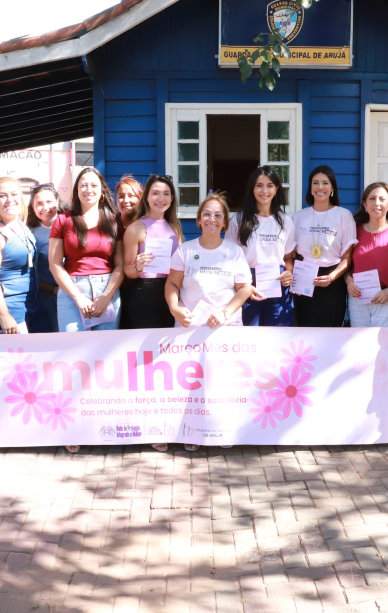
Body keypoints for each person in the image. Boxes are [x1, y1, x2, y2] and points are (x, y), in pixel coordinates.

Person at [166, 193, 252, 451]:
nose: (212, 219)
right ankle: (192, 432)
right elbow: (172, 283)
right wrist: (174, 308)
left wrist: (226, 313)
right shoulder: (186, 250)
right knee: (191, 380)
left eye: (218, 215)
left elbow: (244, 288)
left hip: (225, 327)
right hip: (190, 328)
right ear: (199, 220)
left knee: (223, 381)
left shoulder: (234, 252)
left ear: (225, 222)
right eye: (207, 214)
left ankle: (223, 430)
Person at [51, 167, 123, 336]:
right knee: (72, 350)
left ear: (102, 192)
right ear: (76, 191)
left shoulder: (114, 223)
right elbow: (54, 264)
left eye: (94, 185)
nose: (88, 190)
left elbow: (120, 265)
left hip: (106, 290)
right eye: (83, 185)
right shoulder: (62, 220)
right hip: (72, 290)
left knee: (104, 351)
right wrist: (77, 297)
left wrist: (107, 295)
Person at [0, 177, 49, 334]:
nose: (10, 200)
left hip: (32, 305)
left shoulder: (22, 226)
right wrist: (4, 315)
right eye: (2, 196)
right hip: (6, 308)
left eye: (14, 194)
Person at [225, 167, 295, 327]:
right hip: (247, 284)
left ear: (276, 189)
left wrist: (289, 272)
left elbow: (289, 257)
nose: (264, 190)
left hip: (277, 284)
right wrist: (243, 286)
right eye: (259, 185)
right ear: (252, 188)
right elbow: (230, 260)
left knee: (278, 337)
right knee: (249, 339)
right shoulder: (239, 220)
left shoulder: (286, 221)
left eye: (270, 185)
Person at [292, 166, 356, 327]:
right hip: (305, 278)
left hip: (332, 282)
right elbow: (291, 254)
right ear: (310, 188)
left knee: (331, 332)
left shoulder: (343, 215)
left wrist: (332, 277)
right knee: (305, 330)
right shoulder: (299, 217)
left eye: (325, 183)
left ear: (332, 188)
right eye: (315, 183)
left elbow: (347, 258)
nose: (320, 187)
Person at [123, 174, 182, 329]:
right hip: (145, 294)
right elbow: (127, 269)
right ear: (146, 197)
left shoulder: (175, 227)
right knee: (147, 350)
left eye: (166, 194)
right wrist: (138, 266)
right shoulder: (135, 228)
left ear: (172, 199)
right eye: (155, 193)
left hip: (173, 294)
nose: (161, 198)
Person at [346, 182, 388, 328]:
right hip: (358, 298)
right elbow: (345, 263)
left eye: (382, 199)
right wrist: (349, 282)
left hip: (387, 298)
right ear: (365, 205)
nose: (376, 203)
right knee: (358, 344)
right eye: (372, 199)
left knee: (383, 347)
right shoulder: (353, 230)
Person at [27, 183, 66, 333]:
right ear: (32, 206)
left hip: (74, 289)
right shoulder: (31, 232)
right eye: (39, 203)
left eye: (49, 202)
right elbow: (31, 270)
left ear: (57, 200)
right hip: (47, 294)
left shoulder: (70, 224)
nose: (45, 207)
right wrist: (52, 289)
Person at [115, 175, 144, 329]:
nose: (125, 200)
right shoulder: (110, 225)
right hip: (114, 291)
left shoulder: (148, 226)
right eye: (121, 196)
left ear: (141, 198)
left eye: (131, 195)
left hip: (141, 291)